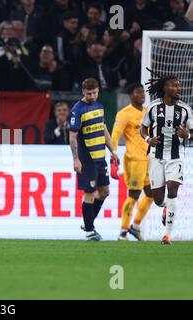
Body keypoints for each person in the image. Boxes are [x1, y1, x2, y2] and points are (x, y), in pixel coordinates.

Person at [140, 71, 193, 245]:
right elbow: (143, 128)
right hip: (156, 156)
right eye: (174, 85)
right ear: (164, 88)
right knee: (158, 199)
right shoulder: (153, 107)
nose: (179, 88)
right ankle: (166, 209)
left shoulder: (185, 110)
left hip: (176, 156)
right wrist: (149, 139)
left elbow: (192, 133)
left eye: (179, 85)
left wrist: (188, 135)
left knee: (172, 191)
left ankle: (167, 235)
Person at [69, 78, 120, 241]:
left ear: (98, 91)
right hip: (87, 159)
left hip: (101, 157)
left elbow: (103, 129)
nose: (92, 96)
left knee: (105, 192)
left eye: (95, 93)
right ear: (83, 92)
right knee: (90, 193)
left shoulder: (99, 107)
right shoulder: (78, 110)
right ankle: (90, 231)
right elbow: (72, 137)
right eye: (89, 93)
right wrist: (76, 159)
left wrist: (113, 151)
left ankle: (88, 222)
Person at [111, 83, 153, 241]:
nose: (142, 94)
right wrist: (113, 157)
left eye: (143, 92)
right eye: (138, 92)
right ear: (130, 95)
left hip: (149, 160)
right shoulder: (124, 114)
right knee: (134, 195)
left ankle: (135, 226)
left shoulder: (147, 112)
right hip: (134, 160)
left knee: (151, 195)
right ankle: (123, 232)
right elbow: (115, 135)